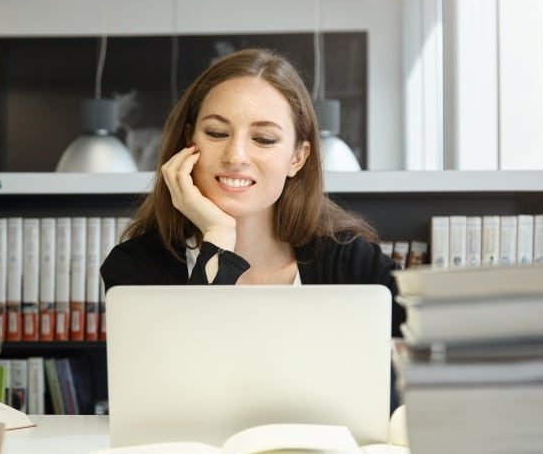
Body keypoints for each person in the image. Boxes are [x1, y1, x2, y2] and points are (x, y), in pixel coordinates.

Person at [100, 47, 404, 408]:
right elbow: (174, 394)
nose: (235, 156)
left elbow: (408, 390)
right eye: (216, 133)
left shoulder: (355, 264)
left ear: (297, 157)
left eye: (263, 139)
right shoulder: (136, 267)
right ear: (188, 142)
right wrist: (218, 240)